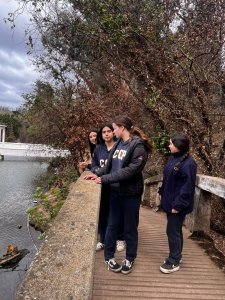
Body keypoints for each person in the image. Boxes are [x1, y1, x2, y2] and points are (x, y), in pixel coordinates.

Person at [84, 115, 152, 274]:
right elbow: (108, 165)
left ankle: (129, 258)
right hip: (115, 192)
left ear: (122, 128)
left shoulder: (137, 146)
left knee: (130, 227)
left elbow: (129, 171)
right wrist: (97, 174)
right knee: (112, 225)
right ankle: (109, 257)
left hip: (130, 194)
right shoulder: (119, 143)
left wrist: (103, 178)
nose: (112, 131)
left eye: (114, 128)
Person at [159, 132, 197, 274]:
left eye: (171, 143)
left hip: (177, 205)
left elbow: (187, 188)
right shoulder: (173, 158)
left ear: (179, 146)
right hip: (170, 202)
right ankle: (177, 256)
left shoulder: (189, 164)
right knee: (175, 230)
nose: (169, 145)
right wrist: (161, 192)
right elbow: (168, 179)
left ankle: (174, 261)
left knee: (172, 231)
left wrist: (177, 205)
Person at [92, 124, 126, 252]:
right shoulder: (99, 149)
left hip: (116, 186)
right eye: (103, 132)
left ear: (113, 133)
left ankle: (120, 239)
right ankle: (102, 240)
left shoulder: (120, 147)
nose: (106, 134)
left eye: (109, 131)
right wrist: (96, 170)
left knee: (117, 214)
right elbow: (94, 165)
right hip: (102, 187)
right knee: (102, 214)